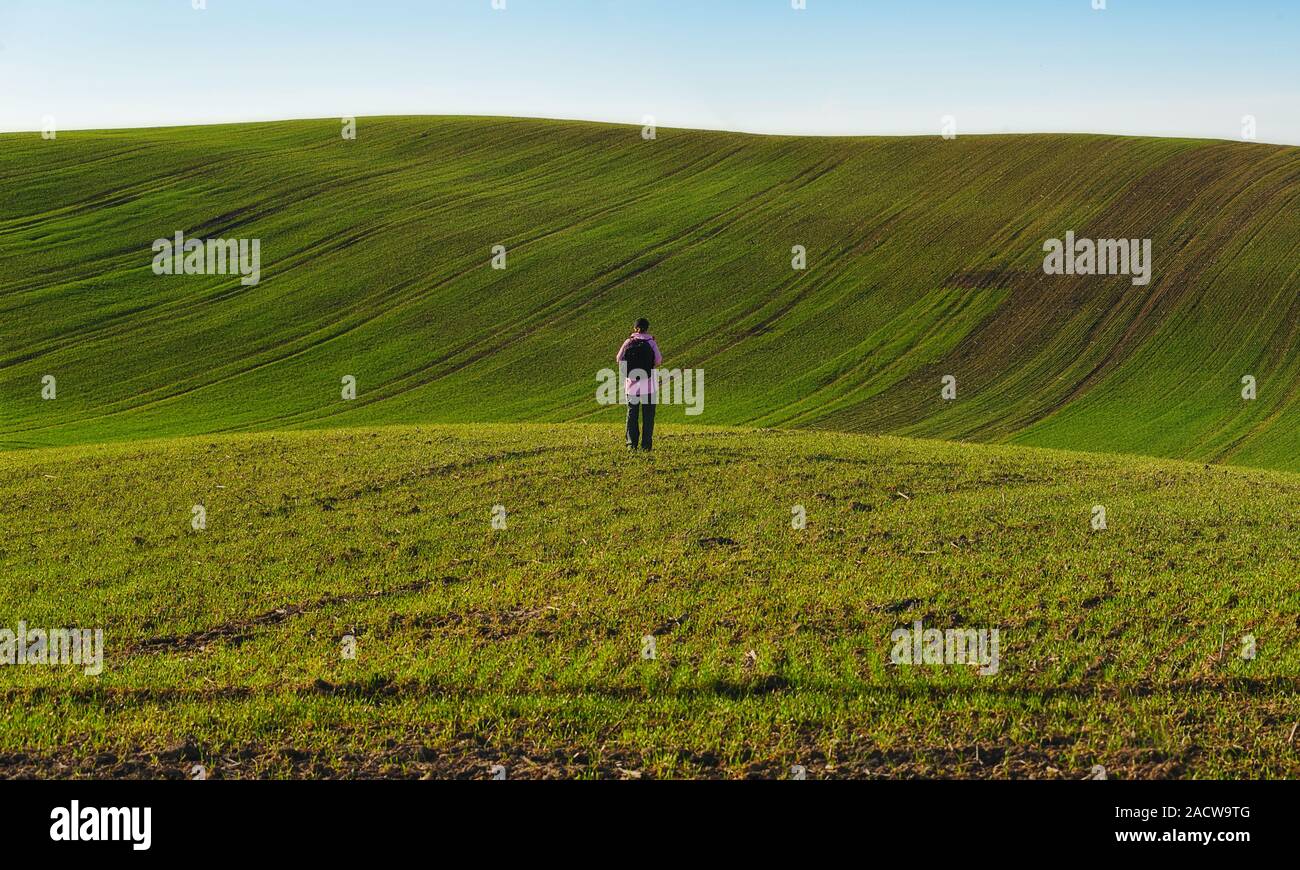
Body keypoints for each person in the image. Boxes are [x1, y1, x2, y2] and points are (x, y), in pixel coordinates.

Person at [616, 318, 663, 451]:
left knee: (632, 415)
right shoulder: (651, 342)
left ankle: (631, 444)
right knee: (648, 416)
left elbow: (618, 359)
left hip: (631, 386)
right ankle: (646, 446)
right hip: (649, 386)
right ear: (647, 328)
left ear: (635, 328)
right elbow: (658, 361)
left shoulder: (628, 342)